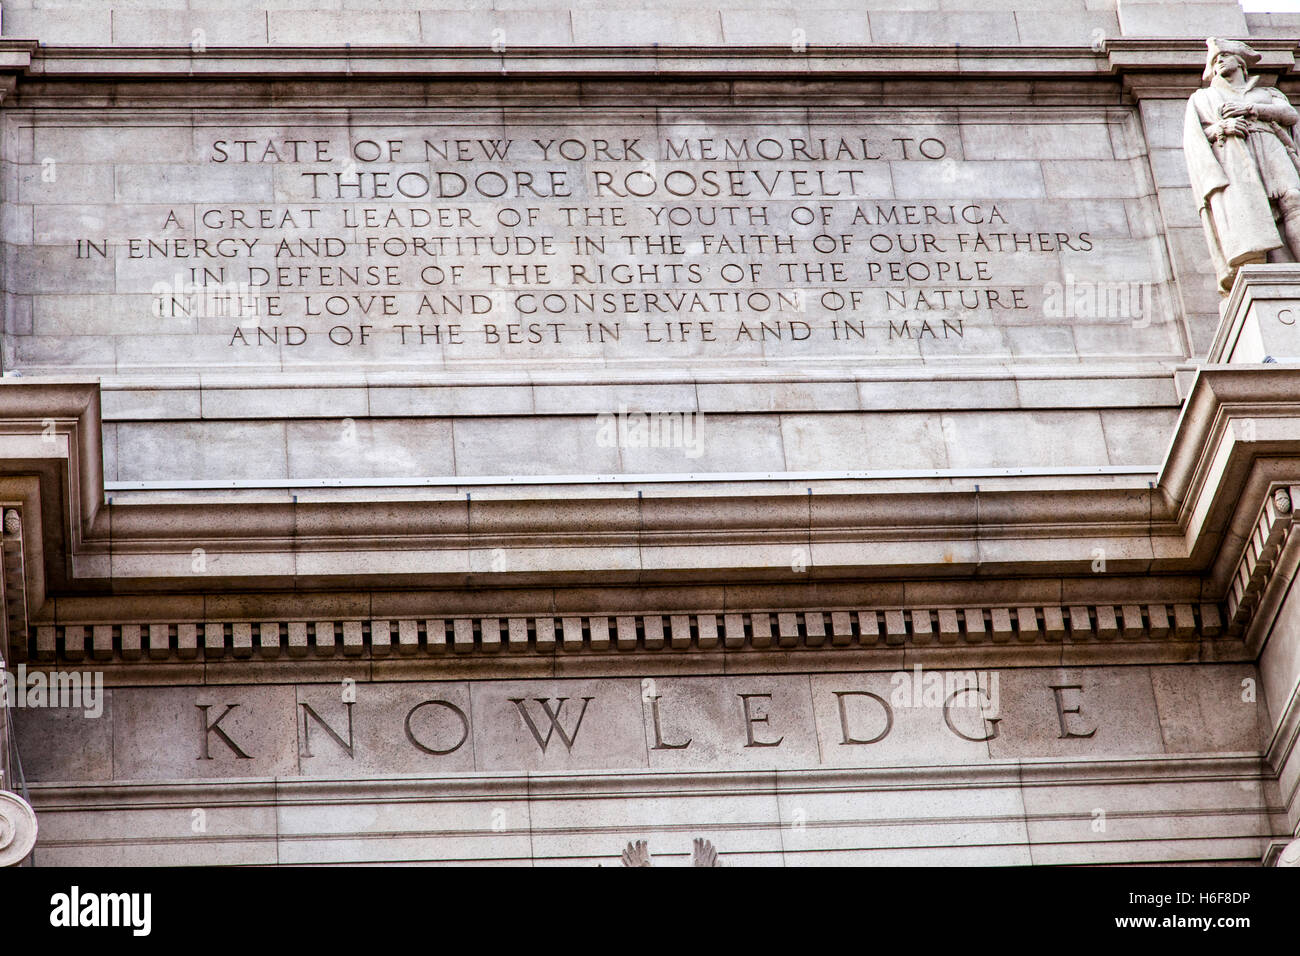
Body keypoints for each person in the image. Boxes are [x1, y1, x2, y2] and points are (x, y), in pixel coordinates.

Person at [1184, 37, 1300, 295]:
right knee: (1256, 208)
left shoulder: (1267, 92)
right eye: (1215, 60)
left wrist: (1249, 108)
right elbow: (1197, 137)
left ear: (1240, 60)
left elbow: (1289, 115)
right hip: (1237, 155)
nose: (1220, 62)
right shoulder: (1204, 97)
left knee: (1293, 199)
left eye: (1224, 55)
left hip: (1270, 144)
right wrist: (1222, 127)